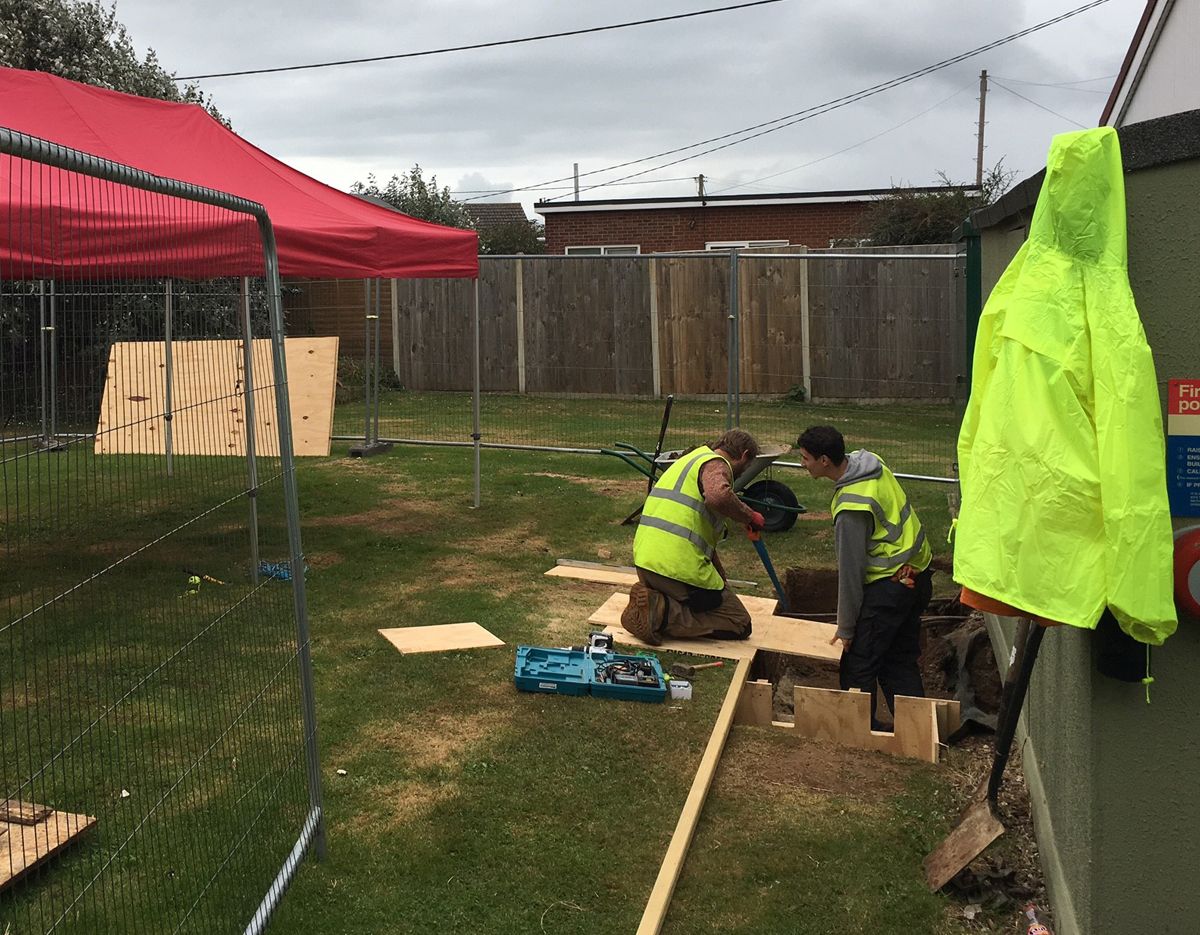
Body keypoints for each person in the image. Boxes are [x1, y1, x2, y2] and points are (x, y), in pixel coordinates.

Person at [796, 425, 932, 730]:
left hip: (890, 587)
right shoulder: (872, 464)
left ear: (825, 461)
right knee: (898, 658)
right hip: (916, 574)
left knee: (859, 662)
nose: (802, 464)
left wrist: (846, 628)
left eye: (805, 458)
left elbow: (851, 574)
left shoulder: (851, 509)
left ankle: (861, 730)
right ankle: (918, 729)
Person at [622, 429, 766, 645]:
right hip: (675, 569)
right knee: (738, 622)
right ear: (744, 456)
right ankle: (662, 616)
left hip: (647, 563)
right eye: (746, 466)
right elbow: (718, 497)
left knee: (713, 596)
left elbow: (694, 535)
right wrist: (749, 516)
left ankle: (656, 600)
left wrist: (721, 580)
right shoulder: (716, 464)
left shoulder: (689, 461)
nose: (743, 471)